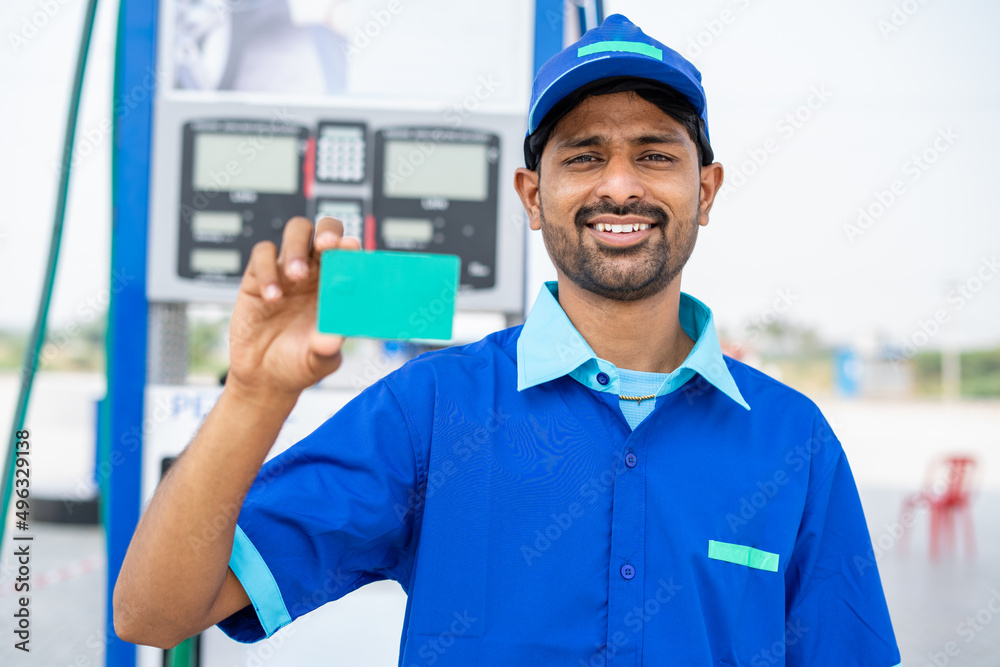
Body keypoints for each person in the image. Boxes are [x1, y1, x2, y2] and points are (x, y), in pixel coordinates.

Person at [114, 14, 902, 666]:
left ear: (706, 188)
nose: (619, 184)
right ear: (532, 195)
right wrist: (256, 393)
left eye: (654, 154)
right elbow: (154, 610)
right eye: (584, 155)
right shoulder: (429, 414)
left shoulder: (792, 441)